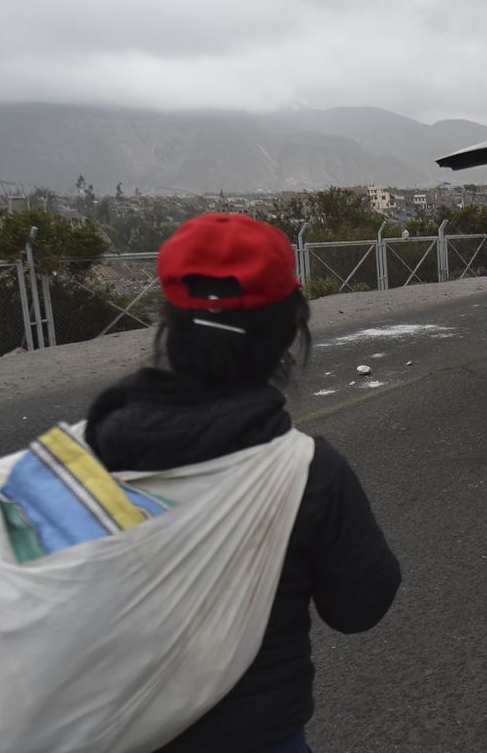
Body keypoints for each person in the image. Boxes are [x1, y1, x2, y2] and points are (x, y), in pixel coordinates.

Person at [84, 213, 402, 752]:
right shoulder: (309, 474)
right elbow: (360, 606)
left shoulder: (89, 450)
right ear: (289, 333)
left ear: (169, 327)